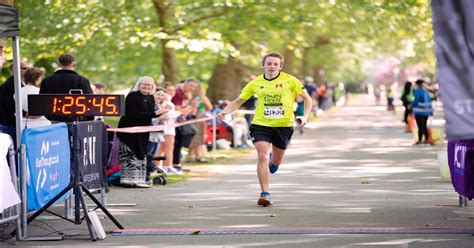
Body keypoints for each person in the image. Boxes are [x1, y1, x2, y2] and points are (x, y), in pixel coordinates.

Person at [218, 52, 313, 207]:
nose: (272, 66)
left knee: (275, 163)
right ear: (263, 65)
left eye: (275, 64)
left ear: (280, 66)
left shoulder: (290, 80)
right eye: (269, 63)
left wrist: (305, 117)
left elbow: (308, 99)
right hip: (261, 125)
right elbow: (238, 101)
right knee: (262, 155)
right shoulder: (255, 83)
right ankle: (265, 193)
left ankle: (272, 165)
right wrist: (224, 112)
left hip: (283, 126)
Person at [117, 76, 168, 187]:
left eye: (149, 85)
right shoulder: (132, 96)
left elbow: (150, 113)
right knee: (130, 155)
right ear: (139, 85)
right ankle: (128, 180)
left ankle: (139, 179)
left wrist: (162, 113)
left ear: (152, 87)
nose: (146, 87)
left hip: (143, 131)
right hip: (129, 131)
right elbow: (134, 114)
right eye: (144, 84)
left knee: (141, 154)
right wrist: (156, 114)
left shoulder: (150, 98)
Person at [39, 53, 94, 122]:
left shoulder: (47, 81)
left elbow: (41, 103)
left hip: (55, 120)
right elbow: (89, 102)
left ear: (59, 64)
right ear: (74, 64)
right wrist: (88, 118)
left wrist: (50, 116)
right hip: (76, 120)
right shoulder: (82, 80)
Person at [171, 78, 198, 172]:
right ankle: (174, 164)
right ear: (185, 84)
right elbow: (178, 111)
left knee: (179, 143)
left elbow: (185, 111)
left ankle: (176, 164)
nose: (192, 88)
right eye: (191, 86)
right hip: (174, 122)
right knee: (177, 143)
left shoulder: (184, 95)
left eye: (194, 87)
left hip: (180, 121)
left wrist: (191, 108)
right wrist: (192, 107)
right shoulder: (178, 93)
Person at [0, 61, 29, 146]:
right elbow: (11, 105)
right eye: (24, 68)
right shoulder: (12, 84)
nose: (27, 70)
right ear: (15, 70)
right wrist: (25, 113)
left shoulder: (15, 83)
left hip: (11, 123)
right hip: (10, 124)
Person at [411, 79, 433, 146]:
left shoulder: (417, 91)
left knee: (420, 126)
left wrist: (410, 106)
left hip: (419, 112)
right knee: (424, 125)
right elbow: (429, 102)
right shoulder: (426, 91)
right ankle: (426, 140)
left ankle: (420, 141)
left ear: (417, 84)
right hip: (426, 112)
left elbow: (416, 101)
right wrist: (431, 112)